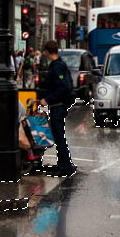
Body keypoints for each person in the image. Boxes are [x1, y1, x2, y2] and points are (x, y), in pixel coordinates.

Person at [38, 39, 76, 177]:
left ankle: (65, 166)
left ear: (47, 52)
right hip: (58, 105)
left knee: (59, 136)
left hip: (58, 106)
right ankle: (63, 164)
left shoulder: (57, 66)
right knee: (58, 135)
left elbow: (63, 86)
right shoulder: (58, 64)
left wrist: (47, 99)